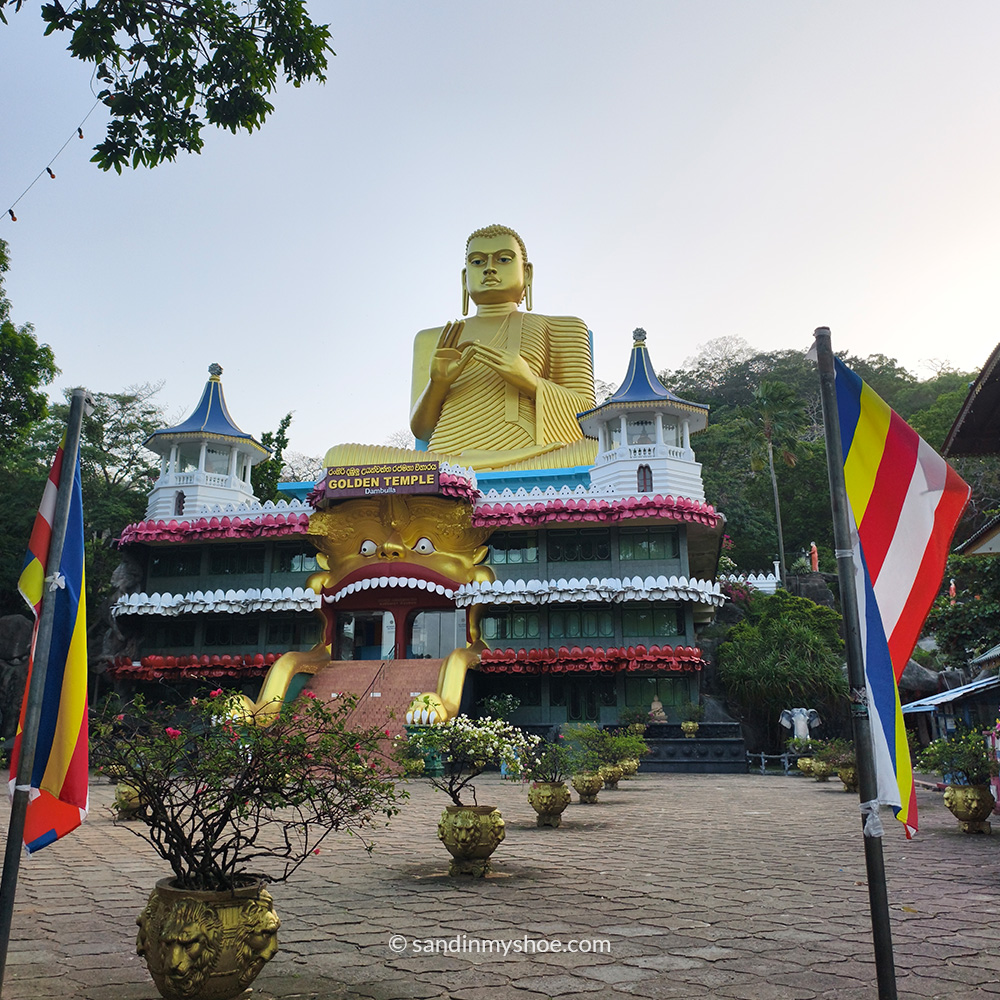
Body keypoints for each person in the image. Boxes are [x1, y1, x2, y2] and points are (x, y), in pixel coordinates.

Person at [325, 225, 597, 473]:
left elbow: (588, 424)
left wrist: (530, 382)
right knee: (338, 458)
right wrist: (438, 383)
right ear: (465, 276)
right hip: (444, 458)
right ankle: (463, 468)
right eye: (478, 261)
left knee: (597, 452)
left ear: (527, 272)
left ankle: (467, 469)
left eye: (503, 259)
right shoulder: (433, 338)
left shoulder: (562, 327)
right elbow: (422, 429)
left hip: (529, 456)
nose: (489, 269)